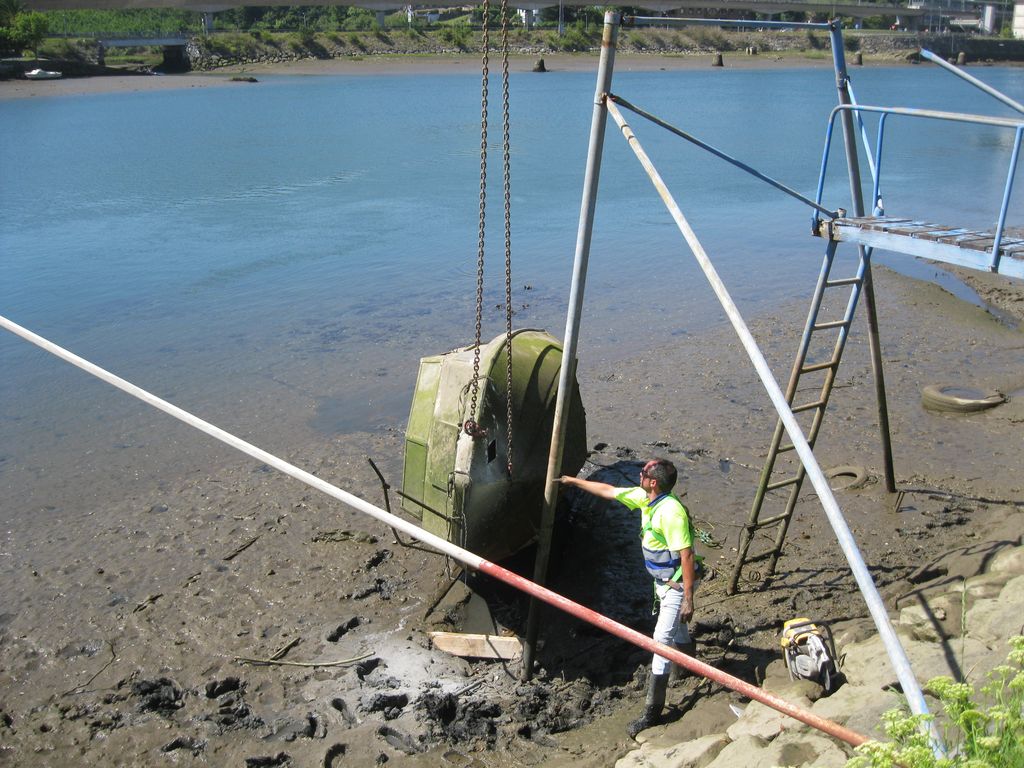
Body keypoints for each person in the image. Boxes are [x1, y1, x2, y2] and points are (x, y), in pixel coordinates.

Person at [560, 457, 699, 738]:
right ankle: (687, 664)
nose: (640, 474)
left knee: (661, 642)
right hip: (662, 583)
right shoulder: (644, 498)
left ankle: (653, 712)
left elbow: (687, 554)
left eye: (644, 472)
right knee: (678, 627)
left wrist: (688, 598)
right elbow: (609, 491)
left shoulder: (671, 513)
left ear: (653, 482)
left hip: (675, 586)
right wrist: (573, 481)